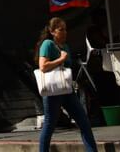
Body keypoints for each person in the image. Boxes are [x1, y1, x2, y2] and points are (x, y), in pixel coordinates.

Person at [37, 17, 97, 152]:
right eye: (61, 30)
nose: (65, 32)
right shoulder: (48, 44)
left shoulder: (65, 47)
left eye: (65, 29)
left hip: (67, 90)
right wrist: (61, 59)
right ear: (52, 31)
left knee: (83, 121)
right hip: (52, 91)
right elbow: (43, 66)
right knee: (49, 125)